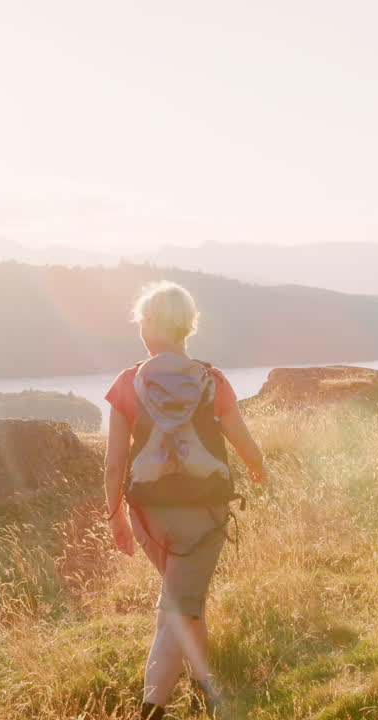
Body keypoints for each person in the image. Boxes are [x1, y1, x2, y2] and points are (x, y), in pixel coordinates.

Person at [103, 281, 267, 720]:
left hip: (147, 515)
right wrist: (259, 467)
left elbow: (114, 462)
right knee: (179, 605)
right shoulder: (212, 381)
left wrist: (116, 515)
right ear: (187, 325)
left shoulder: (127, 382)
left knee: (183, 598)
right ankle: (151, 707)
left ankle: (204, 686)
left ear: (149, 326)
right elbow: (244, 444)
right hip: (205, 513)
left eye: (141, 320)